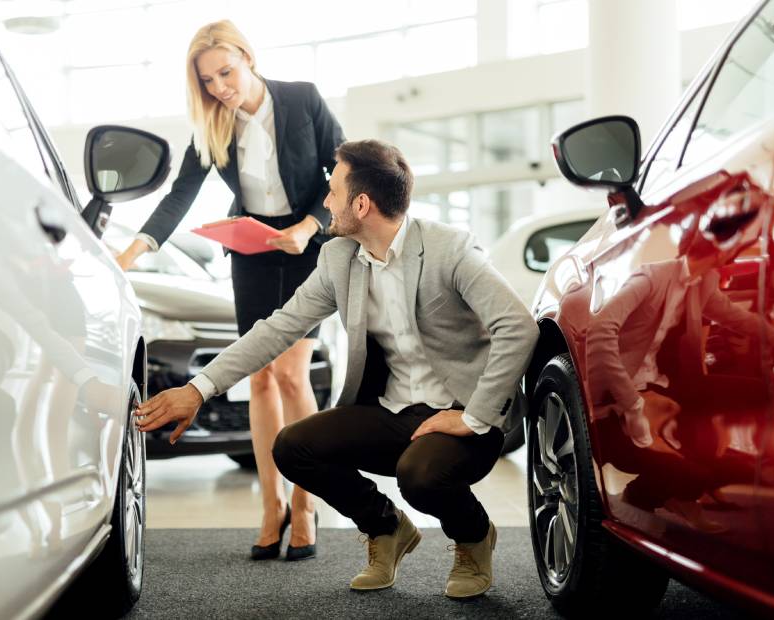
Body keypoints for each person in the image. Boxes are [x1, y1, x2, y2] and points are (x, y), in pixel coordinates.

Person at [136, 139, 539, 598]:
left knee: (421, 476)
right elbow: (278, 328)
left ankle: (473, 537)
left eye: (332, 191)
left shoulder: (450, 249)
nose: (325, 201)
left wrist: (474, 416)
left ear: (361, 204)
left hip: (462, 416)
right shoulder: (338, 258)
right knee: (292, 447)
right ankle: (386, 529)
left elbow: (517, 327)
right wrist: (199, 388)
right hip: (392, 410)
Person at [115, 20, 344, 560]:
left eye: (226, 72)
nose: (219, 87)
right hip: (252, 253)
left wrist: (310, 227)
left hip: (307, 247)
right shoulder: (213, 124)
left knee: (291, 373)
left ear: (247, 56)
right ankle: (273, 505)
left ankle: (307, 504)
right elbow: (178, 198)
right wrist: (132, 252)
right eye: (208, 80)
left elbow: (342, 169)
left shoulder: (301, 99)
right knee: (259, 377)